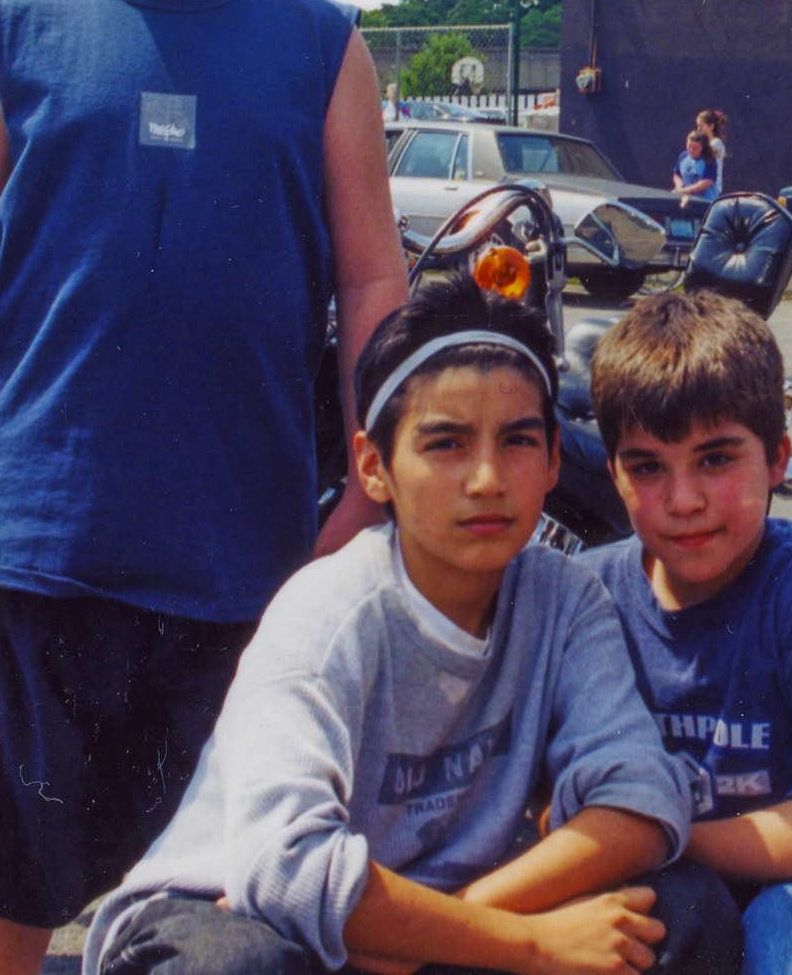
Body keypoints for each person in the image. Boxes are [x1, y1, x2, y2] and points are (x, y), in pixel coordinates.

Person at [0, 0, 408, 975]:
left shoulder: (321, 44)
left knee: (226, 898)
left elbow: (372, 278)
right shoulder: (15, 30)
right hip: (47, 544)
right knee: (8, 872)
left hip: (251, 559)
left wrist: (370, 479)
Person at [81, 276, 740, 975]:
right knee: (240, 965)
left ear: (554, 459)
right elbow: (286, 869)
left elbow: (643, 798)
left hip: (414, 925)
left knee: (683, 908)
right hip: (232, 916)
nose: (486, 479)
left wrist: (463, 919)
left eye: (517, 441)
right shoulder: (328, 612)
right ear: (374, 466)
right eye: (446, 443)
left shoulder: (563, 599)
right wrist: (531, 945)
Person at [583, 292, 792, 975]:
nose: (684, 500)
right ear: (613, 473)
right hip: (668, 896)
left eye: (715, 459)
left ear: (778, 457)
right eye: (648, 467)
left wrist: (650, 839)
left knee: (790, 929)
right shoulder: (584, 598)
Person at [672, 129, 719, 205]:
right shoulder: (683, 156)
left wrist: (684, 190)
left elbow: (706, 183)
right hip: (689, 201)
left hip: (707, 202)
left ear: (703, 147)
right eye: (689, 146)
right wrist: (679, 186)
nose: (691, 149)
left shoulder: (709, 159)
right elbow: (677, 175)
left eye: (695, 148)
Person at [696, 109, 728, 192]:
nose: (698, 129)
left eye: (701, 126)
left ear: (711, 126)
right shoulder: (706, 142)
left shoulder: (716, 142)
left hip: (712, 190)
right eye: (698, 126)